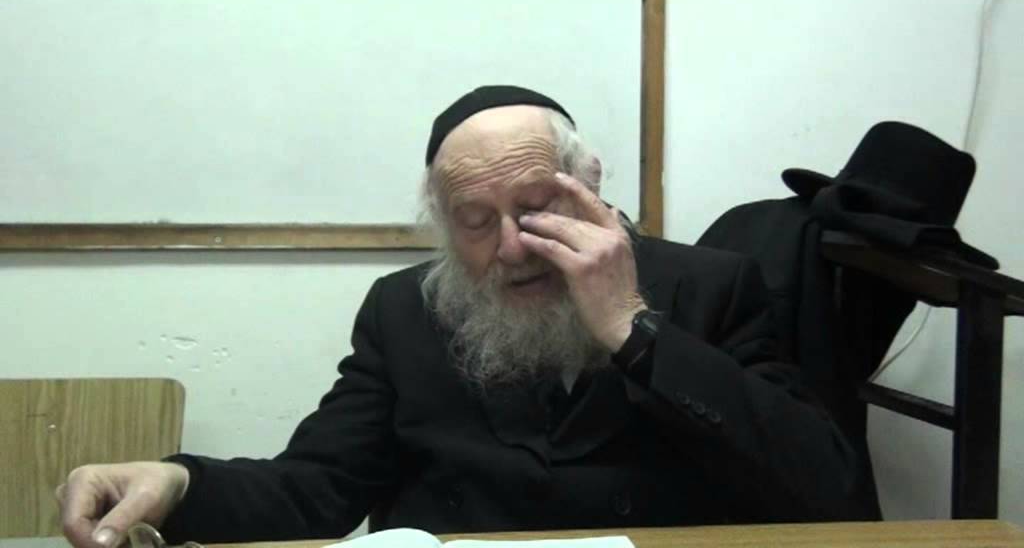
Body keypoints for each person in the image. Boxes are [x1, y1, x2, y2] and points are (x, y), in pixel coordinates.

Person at [57, 86, 874, 548]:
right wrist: (179, 483)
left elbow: (829, 491)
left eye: (537, 205)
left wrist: (634, 327)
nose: (512, 247)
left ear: (590, 186)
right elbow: (317, 488)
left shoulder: (712, 284)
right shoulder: (403, 310)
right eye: (476, 221)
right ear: (446, 229)